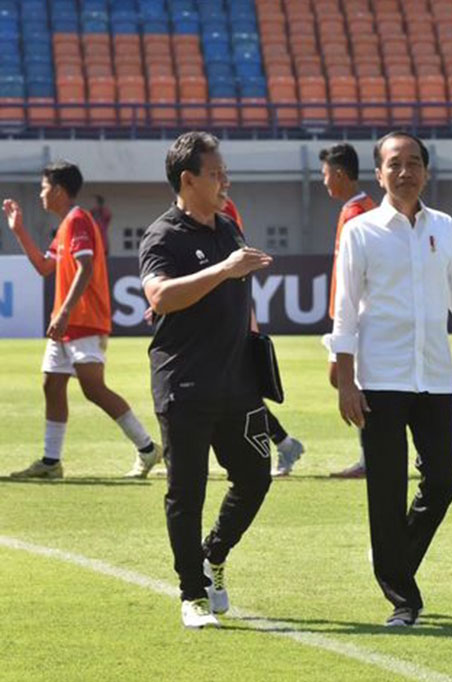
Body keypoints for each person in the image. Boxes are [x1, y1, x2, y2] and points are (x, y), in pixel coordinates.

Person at [331, 131, 452, 627]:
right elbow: (344, 310)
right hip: (379, 377)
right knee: (385, 488)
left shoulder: (445, 228)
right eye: (394, 164)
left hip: (434, 377)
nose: (405, 172)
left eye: (414, 163)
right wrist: (345, 379)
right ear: (379, 174)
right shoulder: (360, 231)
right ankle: (404, 599)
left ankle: (392, 558)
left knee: (443, 480)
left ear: (427, 170)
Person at [139, 132, 274, 629]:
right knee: (186, 491)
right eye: (215, 174)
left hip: (237, 383)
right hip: (185, 384)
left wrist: (253, 335)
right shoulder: (163, 236)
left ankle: (213, 554)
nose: (225, 181)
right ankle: (191, 594)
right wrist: (224, 269)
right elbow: (160, 296)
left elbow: (238, 294)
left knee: (257, 477)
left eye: (225, 172)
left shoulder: (229, 227)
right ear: (188, 179)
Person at [4, 161, 160, 480]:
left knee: (93, 388)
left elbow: (86, 267)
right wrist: (18, 230)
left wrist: (63, 313)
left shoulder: (78, 221)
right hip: (68, 323)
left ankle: (148, 449)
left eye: (44, 188)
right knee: (52, 383)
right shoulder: (65, 226)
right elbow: (44, 267)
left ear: (59, 190)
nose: (41, 194)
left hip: (83, 320)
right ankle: (51, 462)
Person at [221, 197, 305, 477]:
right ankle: (285, 442)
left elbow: (239, 269)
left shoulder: (222, 210)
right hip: (218, 316)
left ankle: (283, 443)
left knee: (238, 391)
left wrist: (247, 318)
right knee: (233, 390)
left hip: (227, 316)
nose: (222, 182)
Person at [316, 143, 376, 480]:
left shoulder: (357, 213)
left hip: (357, 312)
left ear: (339, 174)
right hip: (353, 312)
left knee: (347, 379)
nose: (324, 183)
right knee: (343, 377)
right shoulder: (359, 208)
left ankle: (373, 456)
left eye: (326, 175)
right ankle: (372, 454)